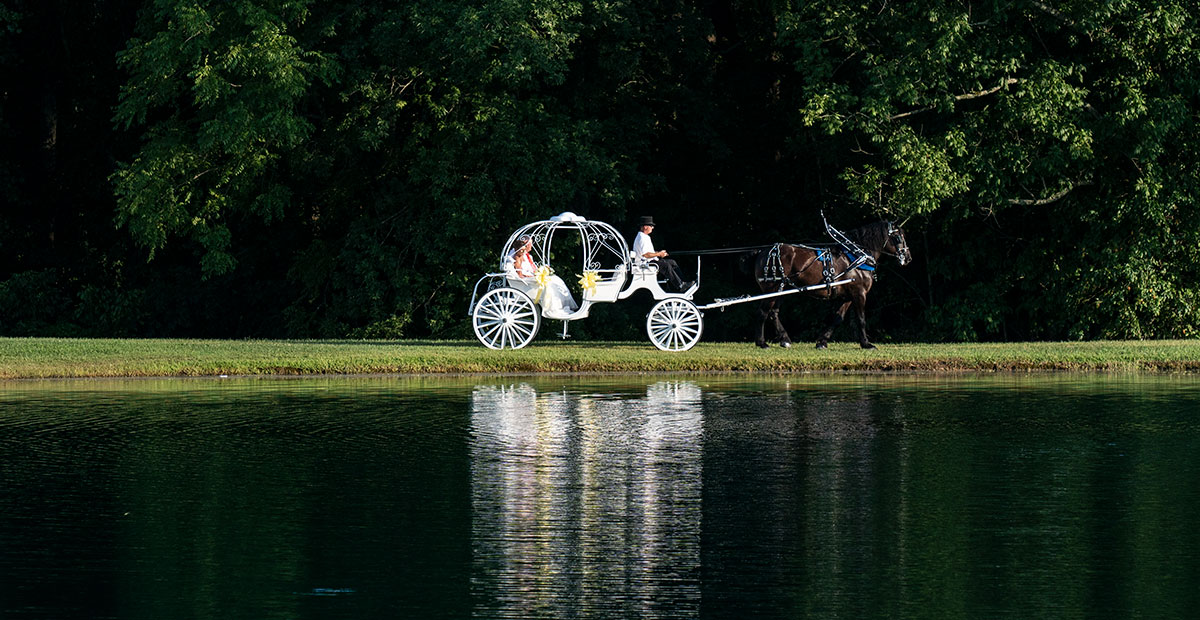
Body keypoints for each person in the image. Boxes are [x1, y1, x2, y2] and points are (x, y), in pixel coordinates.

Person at [503, 235, 579, 317]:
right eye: (529, 245)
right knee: (549, 283)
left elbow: (531, 269)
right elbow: (520, 272)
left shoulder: (527, 256)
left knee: (556, 280)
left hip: (531, 276)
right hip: (526, 280)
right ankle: (553, 309)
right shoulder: (518, 257)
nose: (531, 247)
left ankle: (560, 306)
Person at [631, 216, 692, 292]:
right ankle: (680, 285)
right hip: (644, 264)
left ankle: (683, 282)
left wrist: (659, 253)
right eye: (651, 226)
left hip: (648, 261)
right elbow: (646, 254)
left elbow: (649, 252)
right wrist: (659, 254)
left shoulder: (644, 237)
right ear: (645, 227)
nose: (652, 228)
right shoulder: (641, 237)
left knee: (672, 262)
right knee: (665, 265)